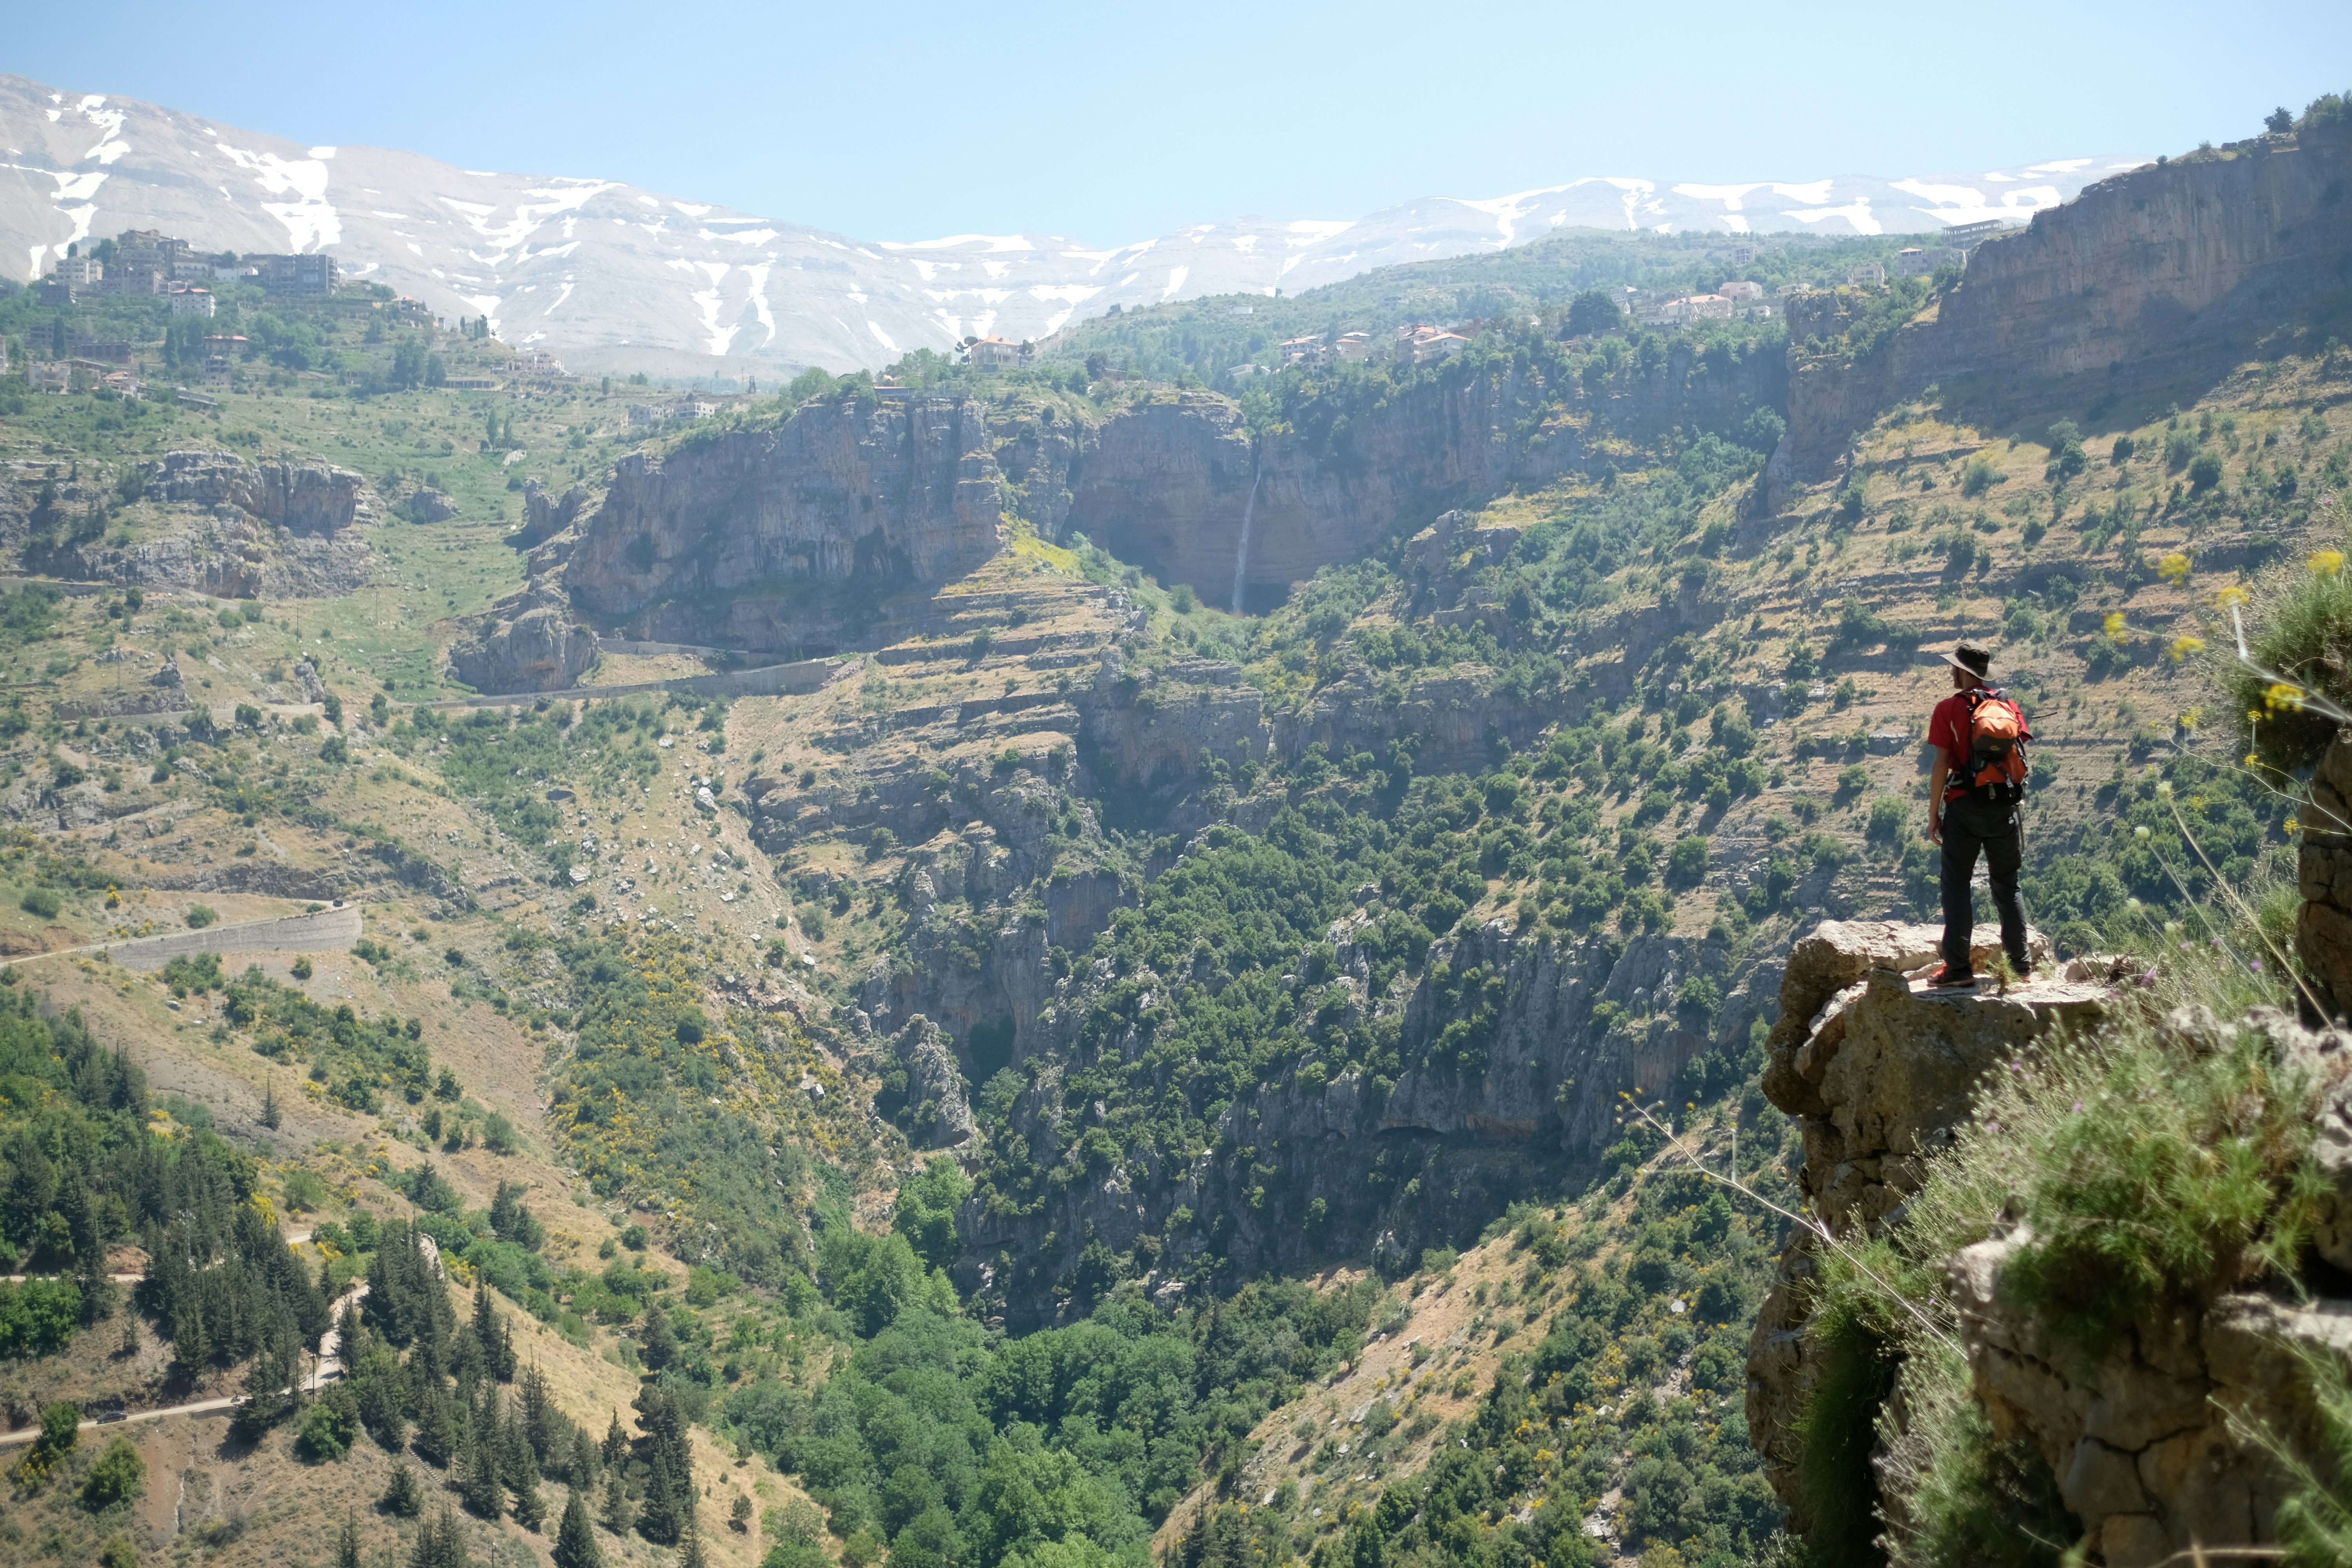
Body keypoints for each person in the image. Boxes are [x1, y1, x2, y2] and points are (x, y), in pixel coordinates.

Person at [1926, 641, 2032, 985]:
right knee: (2008, 886)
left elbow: (1941, 764)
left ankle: (1958, 969)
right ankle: (2021, 967)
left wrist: (1934, 815)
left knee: (1957, 885)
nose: (1950, 672)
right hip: (2003, 807)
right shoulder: (2008, 706)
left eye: (1953, 667)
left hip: (1964, 807)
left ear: (1961, 671)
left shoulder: (1947, 709)